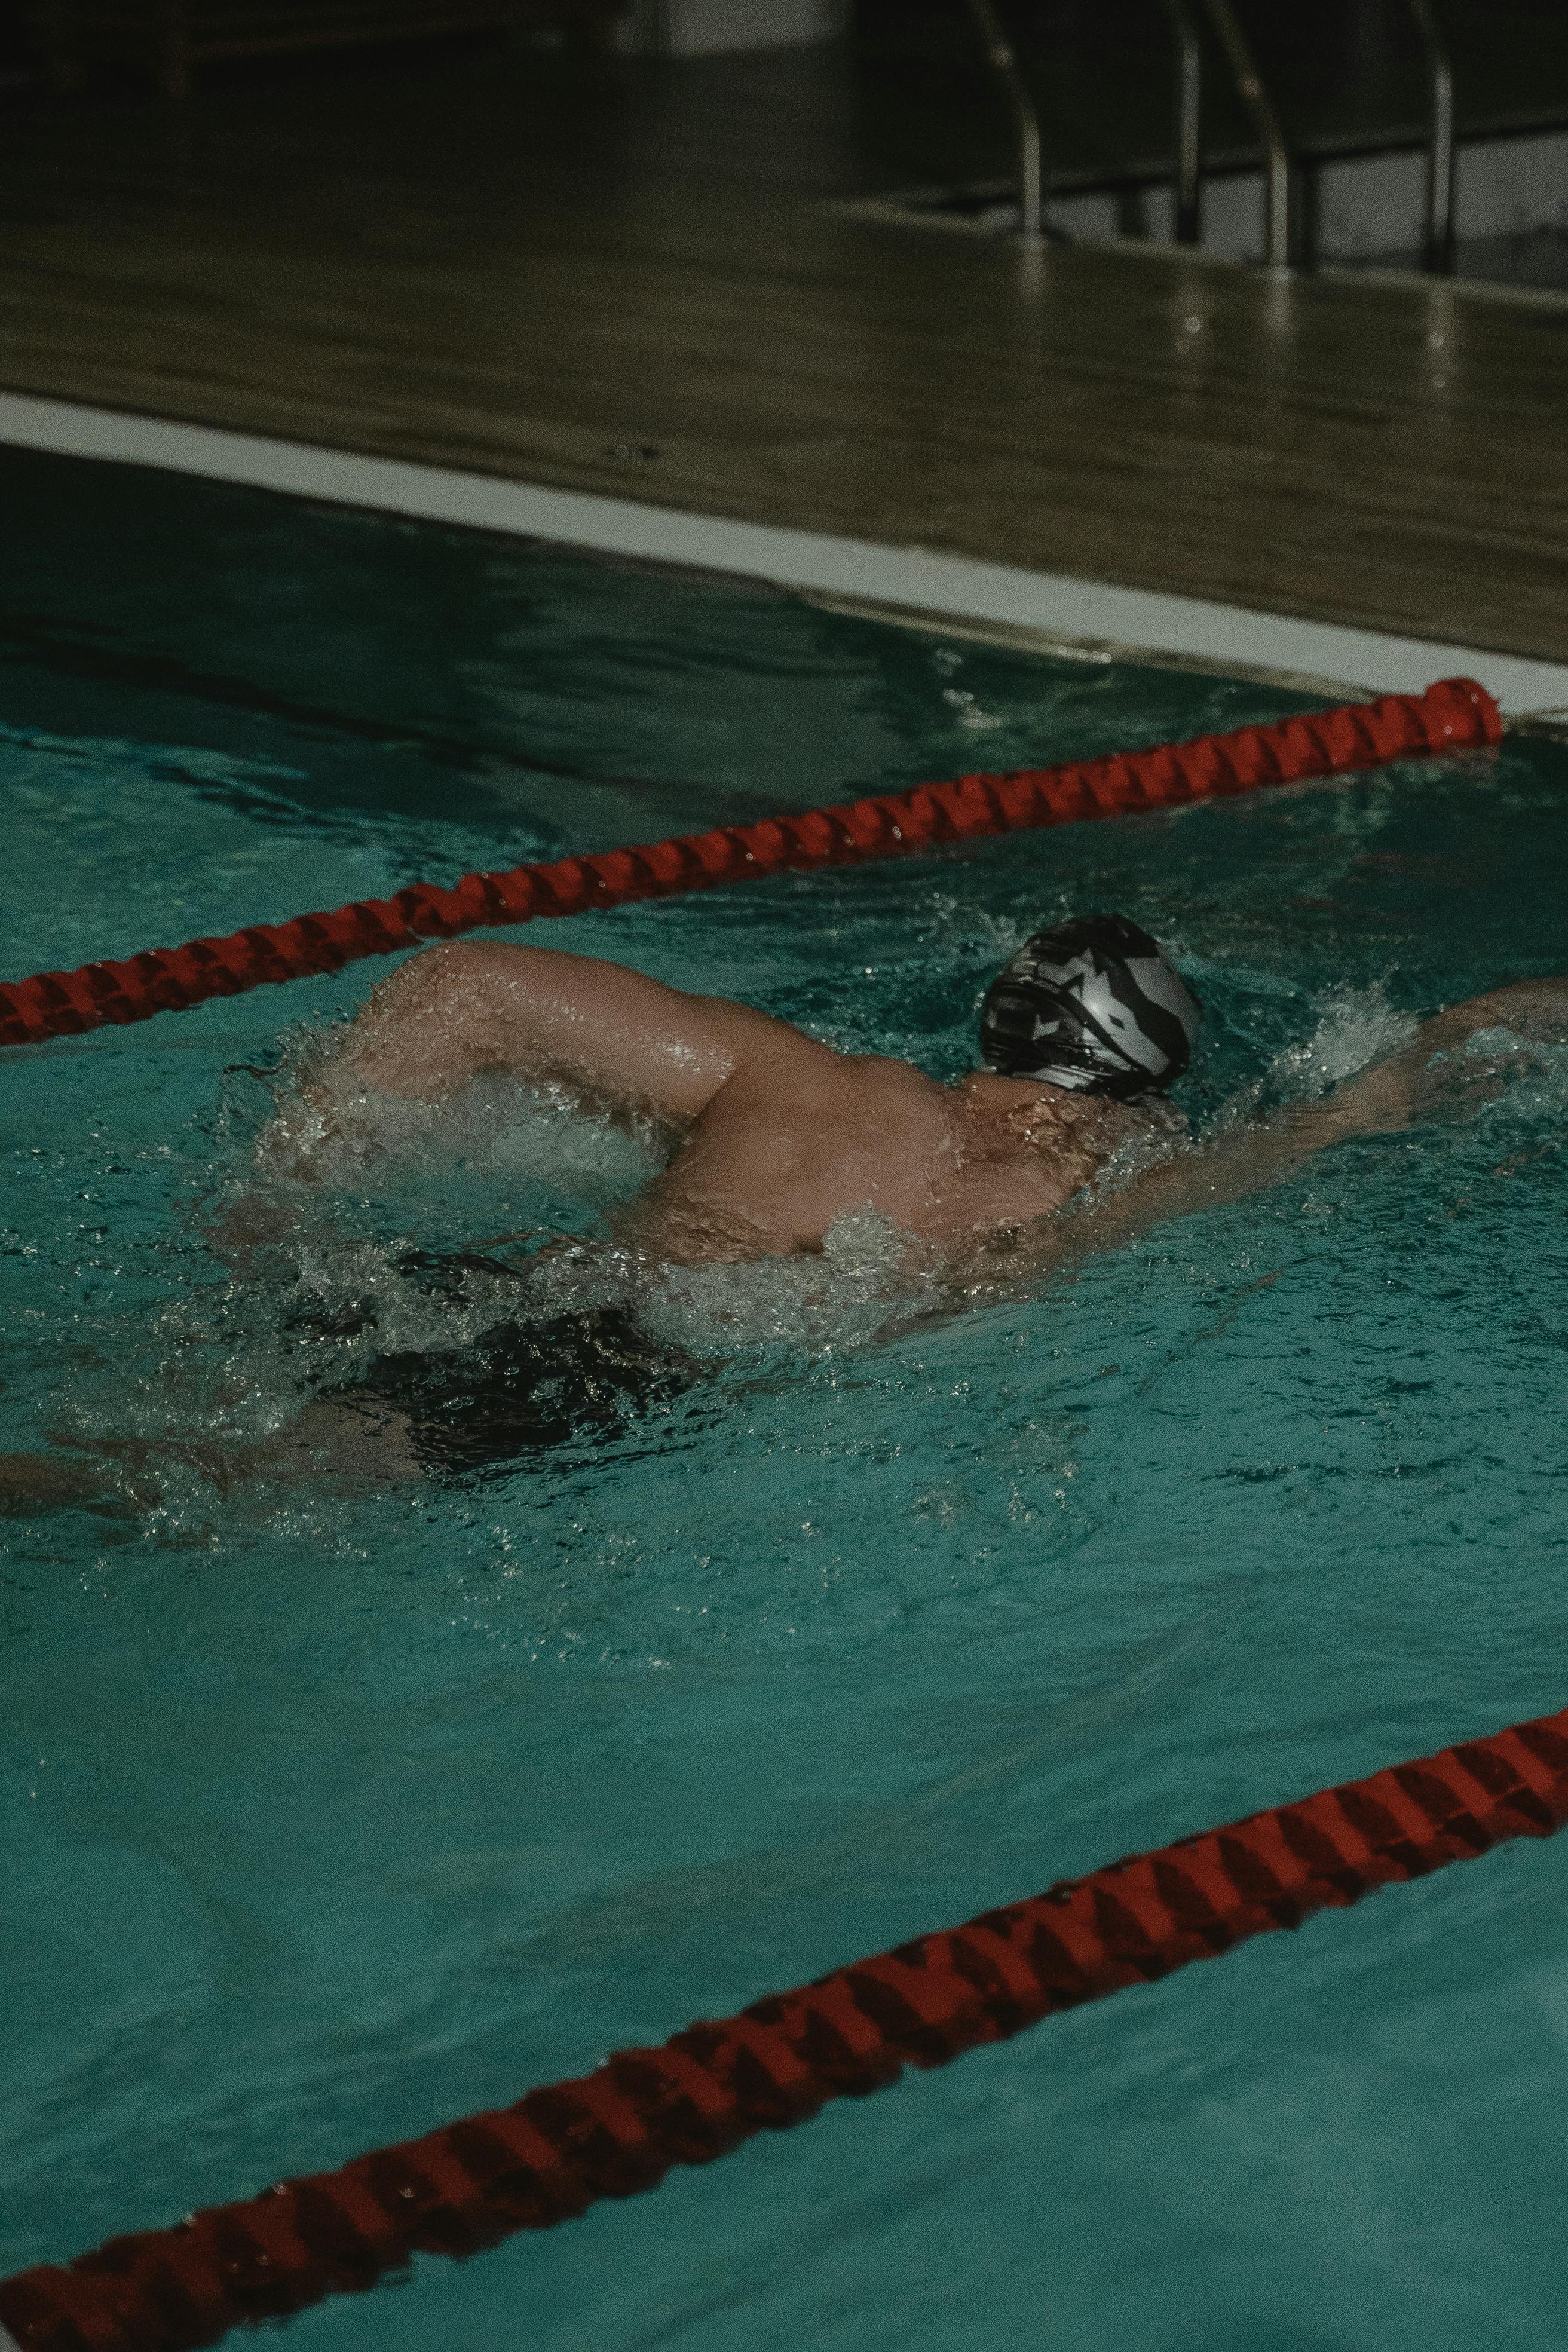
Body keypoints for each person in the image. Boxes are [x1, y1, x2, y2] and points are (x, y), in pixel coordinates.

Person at [4, 916, 1563, 1509]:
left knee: (154, 1386)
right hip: (621, 1364)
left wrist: (263, 1216)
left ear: (992, 1033)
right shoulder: (1088, 1196)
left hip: (472, 1278)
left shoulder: (810, 1079)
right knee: (206, 1486)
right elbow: (1372, 1100)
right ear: (1144, 1093)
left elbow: (460, 983)